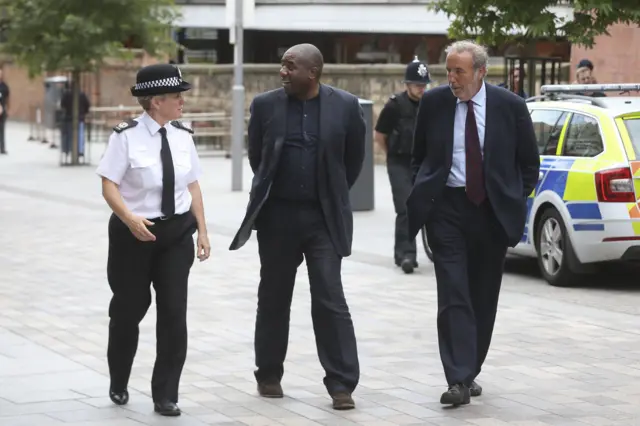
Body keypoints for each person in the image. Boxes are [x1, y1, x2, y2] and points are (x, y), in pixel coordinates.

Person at [229, 43, 366, 410]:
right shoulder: (265, 105)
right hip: (278, 218)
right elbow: (259, 158)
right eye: (282, 66)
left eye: (290, 67)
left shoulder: (345, 107)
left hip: (323, 219)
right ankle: (269, 373)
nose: (283, 72)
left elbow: (352, 161)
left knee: (330, 297)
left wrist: (329, 193)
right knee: (273, 296)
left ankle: (341, 383)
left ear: (312, 72)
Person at [405, 40, 540, 406]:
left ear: (480, 72)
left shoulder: (509, 106)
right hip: (446, 209)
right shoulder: (433, 104)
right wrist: (425, 196)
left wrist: (512, 196)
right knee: (453, 293)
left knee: (482, 295)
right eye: (448, 70)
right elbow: (418, 157)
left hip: (490, 213)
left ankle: (470, 367)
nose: (451, 78)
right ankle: (458, 379)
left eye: (458, 71)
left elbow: (529, 162)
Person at [95, 63, 211, 416]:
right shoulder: (125, 136)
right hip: (134, 234)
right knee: (129, 309)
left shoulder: (182, 135)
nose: (182, 102)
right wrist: (129, 219)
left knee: (174, 313)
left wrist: (202, 230)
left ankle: (166, 394)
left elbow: (192, 186)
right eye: (177, 96)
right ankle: (119, 377)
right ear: (156, 101)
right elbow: (108, 184)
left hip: (175, 233)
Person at [374, 56, 430, 273]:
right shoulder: (395, 105)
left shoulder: (430, 105)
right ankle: (406, 254)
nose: (421, 89)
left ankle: (425, 250)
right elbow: (380, 135)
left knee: (423, 207)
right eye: (417, 85)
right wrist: (391, 157)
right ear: (407, 84)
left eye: (424, 85)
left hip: (422, 163)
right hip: (399, 161)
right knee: (405, 207)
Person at [0, 69, 10, 155]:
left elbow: (8, 98)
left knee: (2, 129)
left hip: (2, 110)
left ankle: (2, 148)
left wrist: (7, 108)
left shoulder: (4, 86)